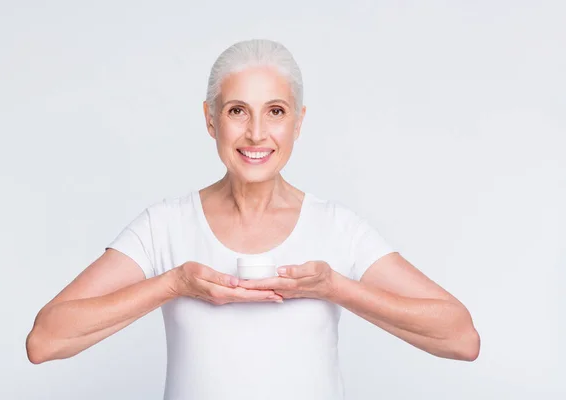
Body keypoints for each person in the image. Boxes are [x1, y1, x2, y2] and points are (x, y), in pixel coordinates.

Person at [26, 39, 480, 400]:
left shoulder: (337, 228)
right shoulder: (164, 225)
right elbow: (44, 340)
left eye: (275, 112)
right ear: (211, 120)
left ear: (298, 123)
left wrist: (335, 288)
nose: (257, 133)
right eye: (237, 110)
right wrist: (175, 284)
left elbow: (461, 338)